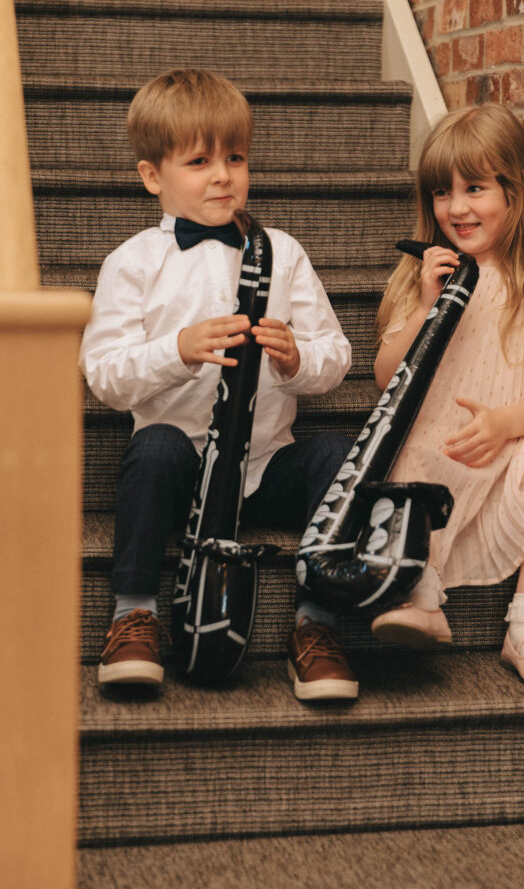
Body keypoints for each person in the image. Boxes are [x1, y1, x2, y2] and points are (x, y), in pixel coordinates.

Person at [80, 68, 358, 700]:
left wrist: (296, 359)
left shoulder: (281, 252)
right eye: (199, 160)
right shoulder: (132, 262)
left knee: (340, 455)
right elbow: (104, 375)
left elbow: (336, 356)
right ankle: (134, 612)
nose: (222, 175)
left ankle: (317, 625)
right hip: (180, 475)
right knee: (151, 448)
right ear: (153, 177)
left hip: (264, 467)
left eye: (235, 157)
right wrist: (176, 351)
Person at [371, 103, 524, 688]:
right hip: (436, 446)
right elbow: (383, 377)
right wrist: (425, 307)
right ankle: (419, 588)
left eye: (475, 188)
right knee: (412, 461)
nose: (458, 208)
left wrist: (504, 425)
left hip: (504, 445)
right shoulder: (423, 277)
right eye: (443, 193)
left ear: (517, 190)